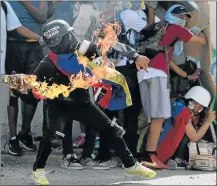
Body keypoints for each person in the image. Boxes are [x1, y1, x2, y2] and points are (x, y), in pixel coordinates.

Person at [4, 20, 157, 185]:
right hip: (59, 106)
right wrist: (21, 89)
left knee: (113, 130)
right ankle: (38, 171)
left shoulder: (83, 49)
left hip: (82, 103)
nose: (56, 48)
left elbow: (111, 44)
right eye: (53, 45)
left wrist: (135, 56)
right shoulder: (46, 65)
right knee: (52, 139)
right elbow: (34, 94)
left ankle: (131, 165)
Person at [137, 4, 207, 169]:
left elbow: (169, 61)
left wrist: (187, 76)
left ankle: (149, 154)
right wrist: (201, 29)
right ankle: (151, 156)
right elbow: (202, 41)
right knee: (159, 116)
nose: (184, 21)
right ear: (174, 16)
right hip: (157, 74)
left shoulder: (157, 28)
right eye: (182, 17)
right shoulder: (175, 28)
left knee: (155, 116)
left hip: (143, 72)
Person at [5, 1, 48, 156]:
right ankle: (13, 138)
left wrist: (25, 2)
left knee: (32, 94)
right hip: (13, 47)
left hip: (34, 48)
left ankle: (24, 133)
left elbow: (42, 17)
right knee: (14, 93)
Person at [156, 86, 216, 167]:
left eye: (201, 107)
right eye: (198, 105)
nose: (199, 109)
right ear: (191, 101)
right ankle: (178, 159)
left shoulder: (177, 105)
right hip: (160, 151)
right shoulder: (182, 111)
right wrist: (208, 121)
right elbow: (194, 137)